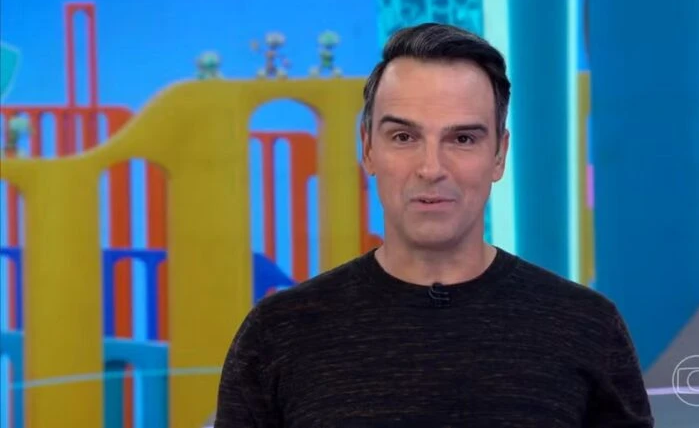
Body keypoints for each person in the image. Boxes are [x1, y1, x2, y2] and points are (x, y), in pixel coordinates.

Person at [214, 23, 654, 427]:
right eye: (404, 137)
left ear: (499, 155)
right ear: (368, 148)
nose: (431, 168)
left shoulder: (587, 326)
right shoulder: (278, 333)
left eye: (462, 139)